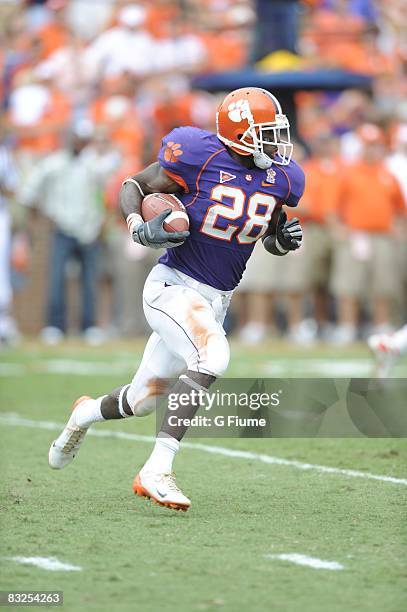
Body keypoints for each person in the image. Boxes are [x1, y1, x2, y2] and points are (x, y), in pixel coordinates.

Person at [48, 87, 305, 511]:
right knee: (213, 358)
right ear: (241, 133)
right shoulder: (197, 153)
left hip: (215, 299)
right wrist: (136, 224)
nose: (277, 143)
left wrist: (281, 241)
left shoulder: (284, 176)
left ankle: (85, 413)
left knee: (142, 399)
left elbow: (268, 233)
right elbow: (136, 184)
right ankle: (156, 469)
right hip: (173, 286)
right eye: (268, 133)